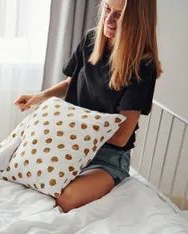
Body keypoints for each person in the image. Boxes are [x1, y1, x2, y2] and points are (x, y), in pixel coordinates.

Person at [14, 0, 162, 212]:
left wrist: (71, 129)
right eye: (108, 10)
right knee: (25, 171)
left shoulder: (142, 65)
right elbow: (71, 82)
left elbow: (121, 138)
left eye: (119, 15)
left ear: (138, 21)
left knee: (66, 199)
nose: (108, 20)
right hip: (69, 143)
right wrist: (39, 97)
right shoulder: (92, 39)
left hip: (106, 155)